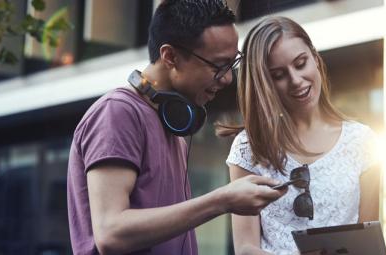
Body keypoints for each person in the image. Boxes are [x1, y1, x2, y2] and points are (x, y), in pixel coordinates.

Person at [66, 1, 287, 254]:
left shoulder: (174, 130)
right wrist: (222, 200)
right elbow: (110, 233)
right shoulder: (117, 113)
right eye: (217, 66)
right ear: (170, 56)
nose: (227, 79)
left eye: (231, 64)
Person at [218, 17, 381, 255]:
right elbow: (245, 248)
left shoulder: (362, 141)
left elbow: (368, 243)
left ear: (315, 58)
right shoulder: (248, 146)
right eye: (278, 75)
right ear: (265, 83)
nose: (295, 80)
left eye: (301, 63)